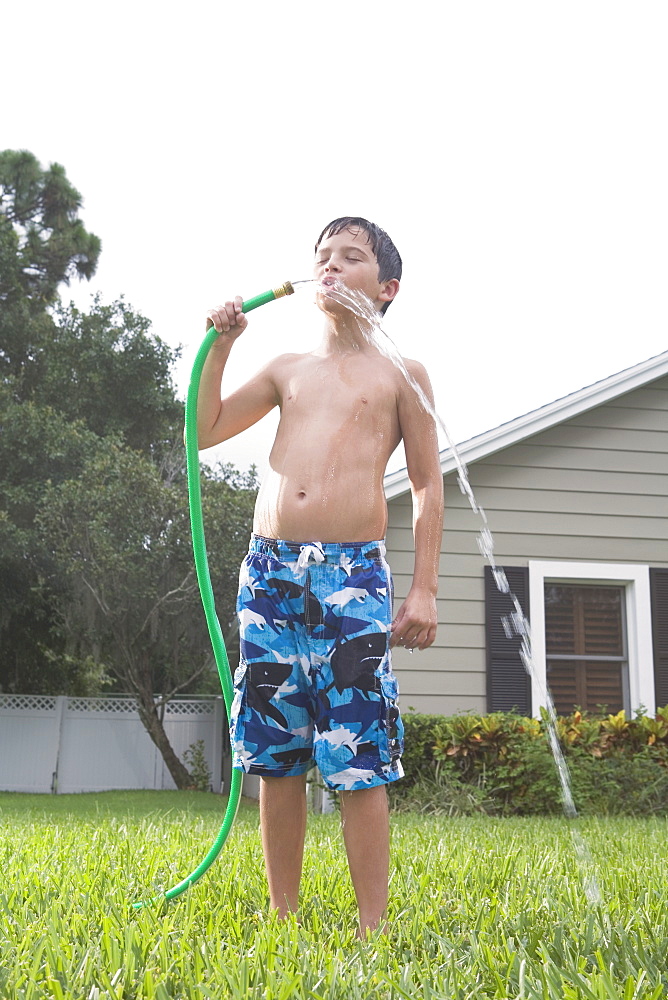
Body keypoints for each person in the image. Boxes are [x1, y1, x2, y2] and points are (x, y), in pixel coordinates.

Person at [197, 217, 443, 935]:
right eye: (322, 257)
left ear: (386, 287)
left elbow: (428, 486)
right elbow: (205, 428)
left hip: (352, 573)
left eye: (351, 258)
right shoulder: (287, 368)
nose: (330, 267)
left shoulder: (401, 374)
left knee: (357, 750)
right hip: (270, 571)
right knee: (276, 752)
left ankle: (373, 925)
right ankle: (283, 914)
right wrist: (223, 347)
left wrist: (423, 587)